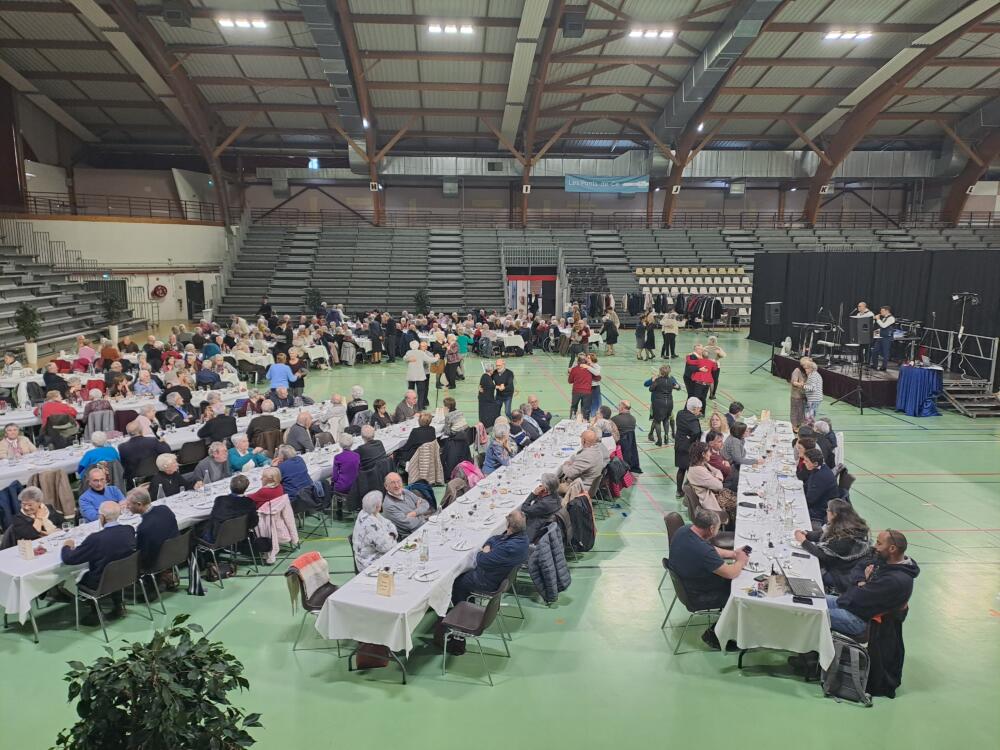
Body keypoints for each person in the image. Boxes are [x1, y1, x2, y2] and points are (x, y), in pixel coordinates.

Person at [668, 507, 748, 650]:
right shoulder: (702, 551)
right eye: (717, 528)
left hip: (687, 583)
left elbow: (712, 549)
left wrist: (733, 554)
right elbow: (731, 573)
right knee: (742, 593)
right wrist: (741, 561)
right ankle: (716, 635)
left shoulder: (684, 530)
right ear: (711, 529)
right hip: (699, 595)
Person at [825, 530, 919, 638]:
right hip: (848, 603)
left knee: (813, 613)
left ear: (892, 549)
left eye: (879, 543)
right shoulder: (885, 560)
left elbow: (858, 597)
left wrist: (863, 583)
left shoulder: (895, 580)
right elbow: (859, 567)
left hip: (859, 619)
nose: (875, 546)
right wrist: (861, 581)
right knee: (813, 600)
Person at [60, 501, 136, 624]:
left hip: (101, 581)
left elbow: (69, 559)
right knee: (114, 564)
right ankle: (118, 605)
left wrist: (66, 546)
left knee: (75, 576)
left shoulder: (95, 538)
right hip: (126, 575)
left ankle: (95, 612)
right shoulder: (129, 530)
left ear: (102, 517)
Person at [450, 510, 530, 606]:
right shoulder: (522, 537)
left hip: (490, 581)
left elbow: (481, 560)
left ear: (509, 525)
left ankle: (463, 609)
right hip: (500, 574)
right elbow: (494, 538)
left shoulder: (508, 548)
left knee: (456, 580)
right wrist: (488, 546)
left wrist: (485, 550)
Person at [794, 498, 871, 593]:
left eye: (828, 510)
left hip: (840, 571)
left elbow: (824, 556)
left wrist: (804, 542)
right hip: (839, 564)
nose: (826, 512)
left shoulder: (846, 537)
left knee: (805, 568)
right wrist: (807, 534)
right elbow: (823, 535)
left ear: (834, 515)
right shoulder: (842, 524)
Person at [126, 487, 179, 584]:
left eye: (129, 504)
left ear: (139, 505)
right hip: (175, 554)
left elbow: (142, 555)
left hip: (156, 563)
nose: (127, 507)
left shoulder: (143, 528)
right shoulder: (165, 509)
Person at [200, 475, 259, 544]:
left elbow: (213, 517)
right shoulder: (249, 502)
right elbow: (254, 522)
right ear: (246, 488)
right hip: (240, 534)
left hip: (217, 537)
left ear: (230, 486)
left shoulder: (220, 500)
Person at [686, 442, 735, 521]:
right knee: (738, 506)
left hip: (717, 496)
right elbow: (719, 486)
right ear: (703, 454)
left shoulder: (704, 464)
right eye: (709, 451)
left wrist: (716, 478)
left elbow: (718, 471)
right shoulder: (697, 471)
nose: (710, 454)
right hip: (712, 503)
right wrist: (716, 479)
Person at [352, 491, 399, 570]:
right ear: (377, 506)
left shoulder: (370, 512)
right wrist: (392, 536)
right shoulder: (369, 522)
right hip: (368, 562)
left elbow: (389, 524)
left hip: (375, 553)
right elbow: (385, 547)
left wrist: (391, 534)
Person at [380, 472, 431, 536]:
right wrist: (421, 513)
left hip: (424, 525)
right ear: (386, 486)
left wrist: (414, 513)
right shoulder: (389, 505)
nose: (397, 485)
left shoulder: (404, 491)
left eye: (398, 481)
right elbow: (410, 525)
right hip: (412, 535)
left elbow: (425, 503)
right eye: (392, 483)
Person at [673, 397, 703, 498]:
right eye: (699, 408)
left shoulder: (680, 413)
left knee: (681, 469)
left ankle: (678, 491)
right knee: (690, 470)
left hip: (679, 445)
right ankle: (690, 493)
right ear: (694, 409)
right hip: (689, 448)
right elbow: (696, 432)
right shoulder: (693, 419)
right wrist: (691, 440)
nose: (700, 410)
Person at [802, 447, 840, 524]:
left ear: (815, 463)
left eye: (806, 461)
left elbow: (810, 500)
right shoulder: (820, 469)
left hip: (820, 511)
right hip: (819, 504)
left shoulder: (820, 476)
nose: (803, 462)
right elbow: (807, 485)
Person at [519, 473, 562, 541]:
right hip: (545, 520)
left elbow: (524, 508)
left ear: (545, 488)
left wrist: (533, 494)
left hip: (534, 528)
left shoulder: (544, 504)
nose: (540, 484)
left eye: (542, 483)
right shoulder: (556, 495)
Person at [646, 365, 680, 446]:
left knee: (657, 421)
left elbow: (650, 389)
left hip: (658, 403)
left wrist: (653, 381)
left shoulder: (658, 380)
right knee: (666, 420)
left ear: (660, 372)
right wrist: (675, 386)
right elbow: (678, 387)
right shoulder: (671, 380)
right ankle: (666, 437)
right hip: (669, 403)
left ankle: (659, 440)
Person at [403, 342, 436, 411]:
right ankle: (420, 407)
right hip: (420, 376)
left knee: (410, 392)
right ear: (418, 346)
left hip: (411, 375)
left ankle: (410, 406)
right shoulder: (421, 353)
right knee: (421, 392)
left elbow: (404, 358)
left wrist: (408, 359)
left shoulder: (408, 352)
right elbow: (430, 360)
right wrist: (437, 358)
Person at [567, 353, 594, 418]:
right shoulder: (590, 369)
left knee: (574, 407)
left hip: (576, 391)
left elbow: (570, 381)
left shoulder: (574, 369)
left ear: (577, 361)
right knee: (585, 408)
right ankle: (585, 420)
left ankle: (572, 419)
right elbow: (598, 377)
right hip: (587, 392)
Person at [870, 305, 895, 370]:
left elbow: (884, 326)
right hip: (880, 337)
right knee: (875, 351)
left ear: (887, 311)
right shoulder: (884, 318)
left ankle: (884, 367)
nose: (880, 312)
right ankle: (874, 365)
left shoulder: (891, 318)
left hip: (886, 338)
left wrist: (878, 319)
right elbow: (880, 328)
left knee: (885, 353)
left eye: (882, 311)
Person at [477, 362, 501, 428]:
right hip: (486, 399)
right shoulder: (486, 377)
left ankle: (488, 424)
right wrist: (499, 387)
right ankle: (489, 424)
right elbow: (491, 386)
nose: (493, 370)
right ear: (490, 370)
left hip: (485, 398)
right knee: (493, 410)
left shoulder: (485, 376)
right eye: (493, 369)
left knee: (487, 412)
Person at [703, 336, 726, 400]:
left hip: (716, 366)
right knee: (706, 380)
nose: (712, 341)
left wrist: (719, 353)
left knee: (715, 380)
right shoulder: (705, 348)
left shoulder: (718, 348)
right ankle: (705, 393)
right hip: (707, 366)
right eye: (711, 340)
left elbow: (723, 355)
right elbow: (703, 356)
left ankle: (712, 394)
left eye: (713, 340)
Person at [789, 356, 809, 431]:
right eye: (806, 365)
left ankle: (801, 425)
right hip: (796, 395)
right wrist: (801, 384)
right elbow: (793, 382)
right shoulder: (797, 371)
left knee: (802, 411)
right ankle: (794, 426)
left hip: (805, 395)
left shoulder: (808, 371)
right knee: (795, 411)